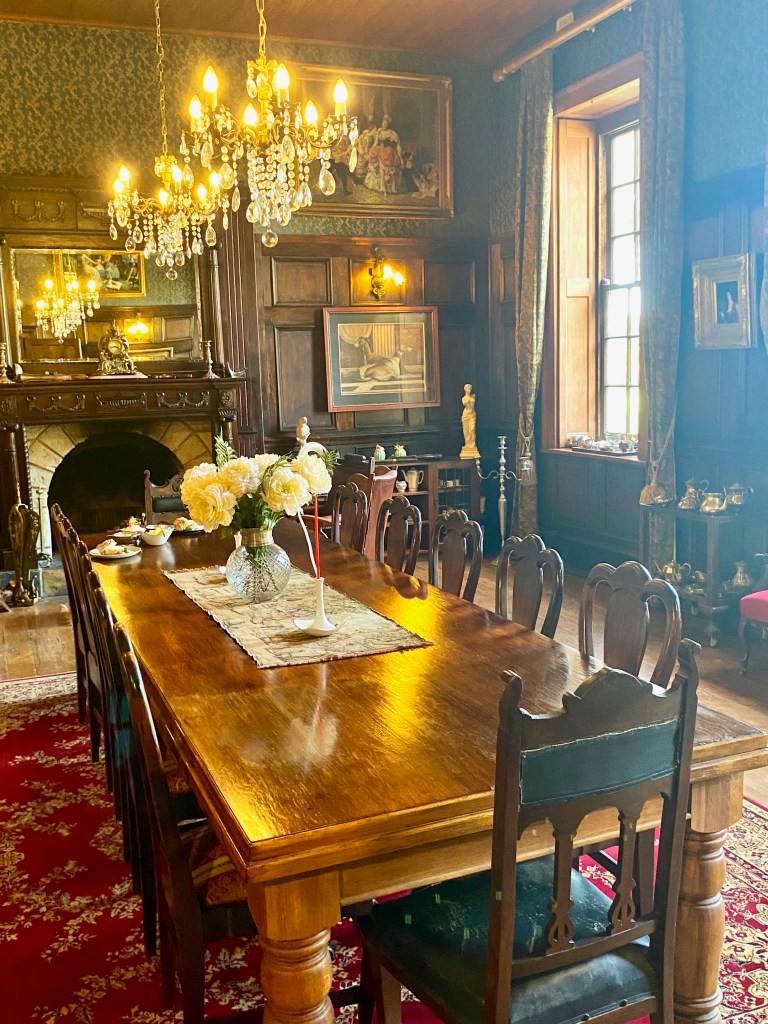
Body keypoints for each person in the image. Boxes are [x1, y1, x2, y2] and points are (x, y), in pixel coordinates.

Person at [363, 114, 404, 195]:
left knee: (390, 165)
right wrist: (370, 151)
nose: (384, 124)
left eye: (386, 123)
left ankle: (389, 188)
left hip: (389, 152)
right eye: (383, 123)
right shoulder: (379, 131)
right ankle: (380, 187)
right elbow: (376, 143)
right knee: (375, 162)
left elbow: (398, 145)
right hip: (380, 151)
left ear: (388, 124)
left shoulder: (392, 133)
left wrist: (400, 157)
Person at [460, 383, 480, 459]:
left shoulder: (473, 396)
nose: (469, 390)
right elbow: (464, 402)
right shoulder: (464, 398)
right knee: (466, 430)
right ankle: (468, 444)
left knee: (472, 429)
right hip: (466, 414)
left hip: (472, 414)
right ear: (465, 390)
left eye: (470, 388)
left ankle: (472, 444)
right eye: (467, 389)